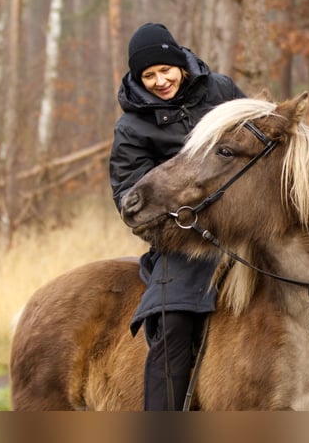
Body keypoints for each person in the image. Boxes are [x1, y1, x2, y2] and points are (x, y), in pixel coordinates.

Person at [109, 22, 245, 411]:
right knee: (173, 322)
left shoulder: (222, 91)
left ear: (180, 62)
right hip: (188, 243)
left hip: (248, 224)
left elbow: (261, 144)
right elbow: (130, 202)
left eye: (164, 69)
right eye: (148, 75)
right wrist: (190, 232)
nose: (159, 80)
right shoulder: (132, 127)